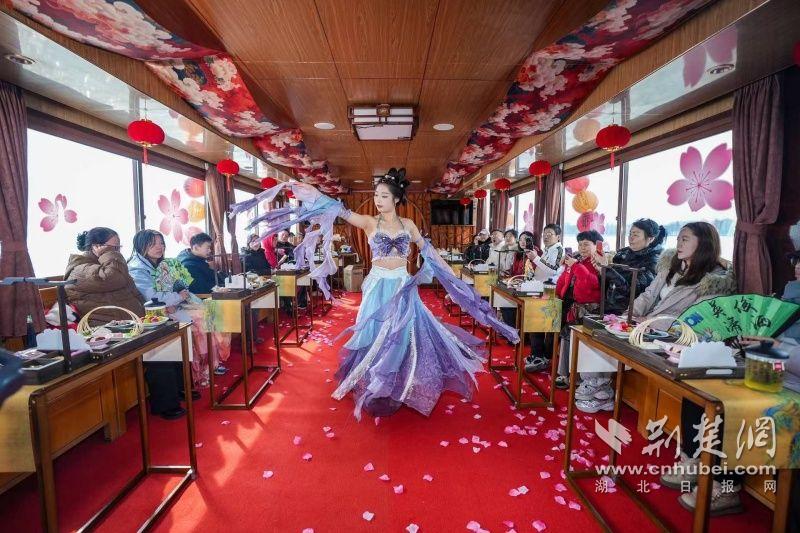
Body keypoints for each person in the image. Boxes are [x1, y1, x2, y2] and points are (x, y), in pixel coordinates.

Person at [231, 169, 518, 420]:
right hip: (378, 284)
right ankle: (375, 384)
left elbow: (428, 251)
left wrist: (451, 275)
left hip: (402, 285)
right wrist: (315, 195)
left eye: (383, 195)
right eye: (376, 195)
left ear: (396, 199)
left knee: (403, 335)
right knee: (375, 334)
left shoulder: (408, 225)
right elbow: (341, 211)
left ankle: (397, 384)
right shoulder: (370, 222)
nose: (378, 200)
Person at [643, 223, 738, 516]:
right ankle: (691, 458)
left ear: (703, 244)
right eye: (679, 238)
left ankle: (716, 478)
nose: (679, 243)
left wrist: (648, 325)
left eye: (686, 239)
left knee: (702, 392)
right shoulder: (670, 267)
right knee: (691, 396)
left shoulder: (714, 281)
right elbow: (648, 296)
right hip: (654, 335)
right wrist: (629, 316)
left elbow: (695, 321)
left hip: (684, 344)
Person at [128, 230, 230, 389]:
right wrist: (178, 297)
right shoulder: (138, 269)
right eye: (153, 244)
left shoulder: (164, 264)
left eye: (161, 243)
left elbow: (181, 287)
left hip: (174, 305)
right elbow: (152, 297)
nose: (159, 247)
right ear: (141, 246)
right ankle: (199, 370)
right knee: (200, 320)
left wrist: (179, 297)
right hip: (156, 313)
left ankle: (209, 365)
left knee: (211, 313)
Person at [554, 231, 604, 391]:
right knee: (567, 339)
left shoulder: (599, 262)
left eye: (586, 244)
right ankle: (564, 373)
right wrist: (557, 294)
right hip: (574, 306)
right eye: (580, 244)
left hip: (590, 309)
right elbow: (564, 279)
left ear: (597, 245)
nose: (582, 247)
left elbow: (592, 282)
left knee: (582, 344)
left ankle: (577, 377)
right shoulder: (577, 260)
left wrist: (575, 265)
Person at [64, 227, 145, 325]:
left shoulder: (111, 265)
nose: (117, 252)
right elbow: (113, 278)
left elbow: (135, 293)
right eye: (113, 248)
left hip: (133, 324)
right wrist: (109, 254)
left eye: (119, 247)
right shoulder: (80, 270)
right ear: (96, 247)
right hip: (105, 328)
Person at [595, 219, 666, 315]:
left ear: (650, 239)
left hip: (629, 313)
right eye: (630, 234)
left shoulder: (654, 262)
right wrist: (601, 271)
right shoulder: (622, 254)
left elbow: (633, 291)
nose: (630, 238)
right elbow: (610, 284)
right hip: (609, 308)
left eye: (636, 235)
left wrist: (608, 269)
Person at [524, 224, 565, 372]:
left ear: (558, 237)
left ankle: (543, 357)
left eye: (550, 234)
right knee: (536, 323)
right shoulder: (548, 249)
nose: (546, 236)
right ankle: (537, 354)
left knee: (543, 325)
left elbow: (553, 269)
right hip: (540, 290)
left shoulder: (559, 249)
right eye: (544, 234)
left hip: (550, 292)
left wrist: (536, 258)